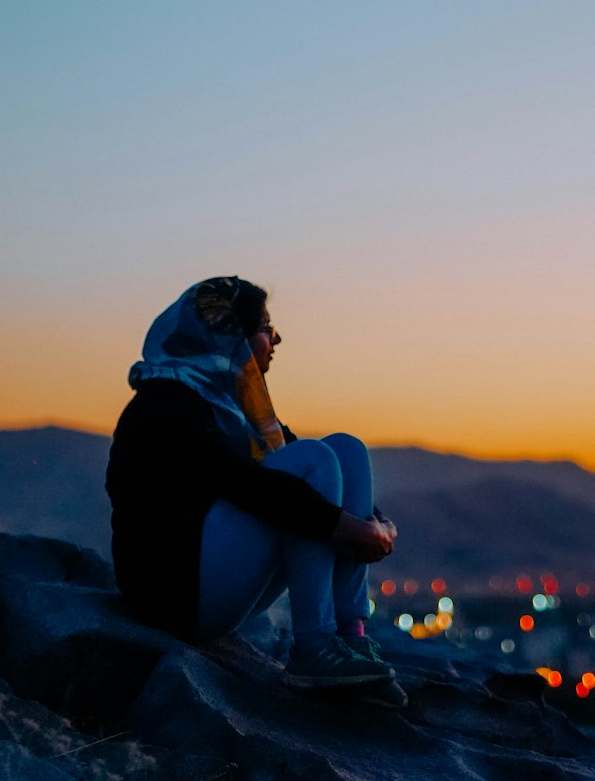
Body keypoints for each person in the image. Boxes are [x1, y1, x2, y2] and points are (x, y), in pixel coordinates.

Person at [106, 275, 398, 690]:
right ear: (231, 337)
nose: (276, 340)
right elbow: (245, 485)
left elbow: (295, 474)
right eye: (266, 329)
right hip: (174, 596)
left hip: (214, 579)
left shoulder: (231, 406)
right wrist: (349, 528)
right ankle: (313, 647)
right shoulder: (165, 404)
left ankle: (352, 640)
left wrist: (376, 524)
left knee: (344, 449)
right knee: (313, 459)